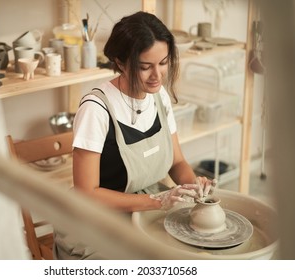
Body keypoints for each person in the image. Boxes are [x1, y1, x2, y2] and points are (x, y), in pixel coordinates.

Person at [54, 11, 215, 260]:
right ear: (120, 62)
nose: (157, 75)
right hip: (97, 224)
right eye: (145, 67)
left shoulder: (158, 96)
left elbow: (177, 162)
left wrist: (196, 189)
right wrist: (156, 202)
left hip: (146, 210)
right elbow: (87, 192)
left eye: (163, 63)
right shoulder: (96, 109)